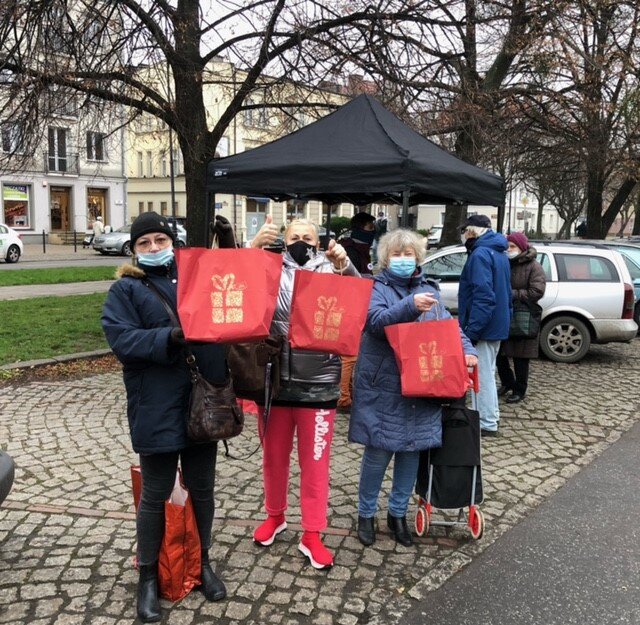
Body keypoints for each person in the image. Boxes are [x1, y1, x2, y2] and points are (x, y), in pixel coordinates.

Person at [101, 212, 234, 622]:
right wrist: (169, 337)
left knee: (202, 489)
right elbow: (122, 338)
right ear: (135, 250)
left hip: (202, 402)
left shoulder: (196, 276)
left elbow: (235, 288)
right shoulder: (126, 290)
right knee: (156, 496)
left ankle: (203, 562)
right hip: (156, 405)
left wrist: (226, 245)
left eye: (161, 240)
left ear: (172, 243)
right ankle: (147, 577)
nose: (155, 248)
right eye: (146, 243)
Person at [349, 229, 477, 547]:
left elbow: (449, 328)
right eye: (397, 254)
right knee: (378, 453)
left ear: (418, 258)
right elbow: (375, 323)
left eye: (409, 254)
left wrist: (467, 350)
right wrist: (409, 306)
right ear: (385, 258)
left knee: (411, 453)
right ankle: (365, 515)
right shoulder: (376, 287)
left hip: (423, 384)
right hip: (385, 386)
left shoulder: (429, 289)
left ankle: (397, 515)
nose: (403, 260)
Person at [250, 216, 359, 569]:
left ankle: (312, 533)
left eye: (307, 236)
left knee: (315, 465)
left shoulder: (331, 268)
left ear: (319, 240)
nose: (300, 241)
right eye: (294, 236)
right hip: (274, 385)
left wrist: (347, 267)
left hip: (320, 385)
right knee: (274, 459)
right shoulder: (268, 266)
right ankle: (275, 516)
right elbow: (241, 290)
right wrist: (252, 249)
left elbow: (358, 307)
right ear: (283, 239)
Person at [458, 214, 512, 437]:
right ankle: (491, 416)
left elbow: (483, 296)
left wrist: (471, 332)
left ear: (471, 231)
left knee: (482, 375)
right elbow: (504, 293)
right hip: (497, 323)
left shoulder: (480, 254)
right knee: (488, 372)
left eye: (464, 231)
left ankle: (486, 422)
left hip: (484, 326)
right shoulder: (498, 252)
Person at [496, 232, 546, 404]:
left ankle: (520, 389)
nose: (509, 250)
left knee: (520, 357)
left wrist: (511, 294)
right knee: (499, 354)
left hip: (523, 315)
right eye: (507, 246)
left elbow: (537, 292)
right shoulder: (504, 263)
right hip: (504, 314)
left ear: (521, 247)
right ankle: (507, 382)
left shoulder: (533, 267)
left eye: (513, 246)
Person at [337, 212, 376, 412]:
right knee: (349, 355)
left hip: (358, 304)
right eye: (370, 228)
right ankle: (344, 398)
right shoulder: (351, 250)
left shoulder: (361, 249)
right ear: (360, 228)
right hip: (350, 306)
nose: (373, 232)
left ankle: (347, 393)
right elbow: (350, 280)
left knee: (351, 354)